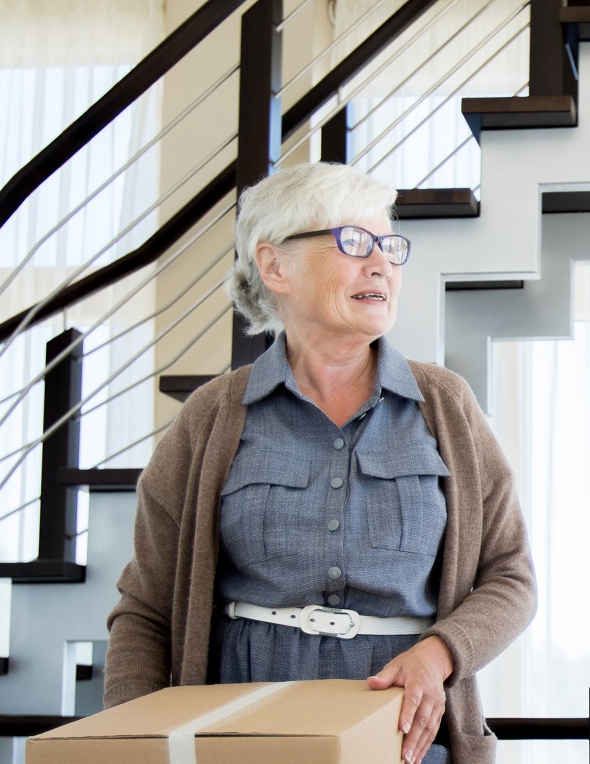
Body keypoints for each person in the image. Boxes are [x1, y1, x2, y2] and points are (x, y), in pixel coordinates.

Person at [105, 162, 536, 764]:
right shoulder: (210, 417)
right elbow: (146, 609)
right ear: (274, 266)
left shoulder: (446, 406)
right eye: (353, 242)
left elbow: (510, 576)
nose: (381, 263)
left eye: (389, 246)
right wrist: (135, 744)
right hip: (240, 741)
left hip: (406, 744)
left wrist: (440, 655)